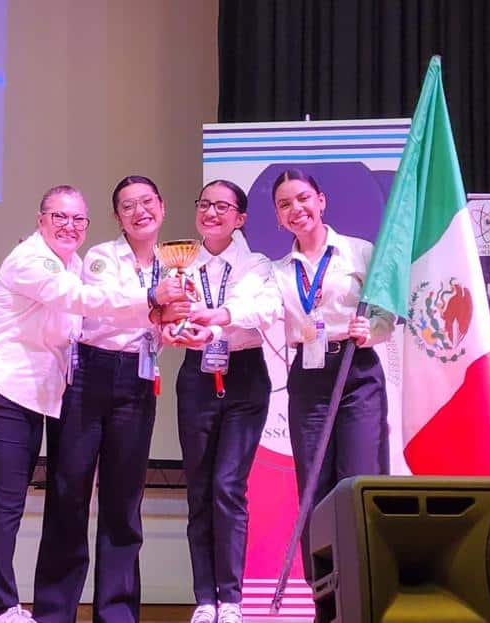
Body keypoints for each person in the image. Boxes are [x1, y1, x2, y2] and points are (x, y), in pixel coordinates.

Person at [0, 185, 187, 623]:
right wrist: (152, 300)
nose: (69, 226)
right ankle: (3, 607)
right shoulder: (39, 259)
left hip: (43, 392)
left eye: (78, 219)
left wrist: (165, 322)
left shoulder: (76, 264)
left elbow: (82, 321)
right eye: (59, 216)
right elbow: (84, 302)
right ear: (40, 219)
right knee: (19, 501)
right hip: (1, 385)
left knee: (97, 504)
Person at [32, 176, 186, 623]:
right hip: (88, 375)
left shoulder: (175, 264)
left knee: (124, 503)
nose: (140, 212)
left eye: (146, 202)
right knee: (69, 495)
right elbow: (102, 306)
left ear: (162, 206)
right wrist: (155, 304)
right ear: (117, 217)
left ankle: (116, 613)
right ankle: (54, 613)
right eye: (127, 206)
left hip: (138, 379)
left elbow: (164, 323)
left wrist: (177, 324)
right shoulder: (101, 256)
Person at [268, 169, 394, 584]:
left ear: (321, 201)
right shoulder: (278, 271)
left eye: (303, 198)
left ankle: (365, 585)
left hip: (356, 371)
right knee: (314, 486)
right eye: (285, 204)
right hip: (309, 376)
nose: (296, 209)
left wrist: (372, 329)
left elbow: (386, 312)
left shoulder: (359, 252)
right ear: (278, 217)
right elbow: (259, 311)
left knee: (358, 478)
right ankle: (323, 591)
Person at [164, 180, 280, 623]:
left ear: (240, 218)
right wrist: (170, 326)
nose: (211, 213)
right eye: (205, 204)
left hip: (244, 378)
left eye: (222, 207)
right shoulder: (179, 261)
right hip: (196, 376)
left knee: (228, 487)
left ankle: (231, 598)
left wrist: (217, 320)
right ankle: (205, 599)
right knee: (199, 490)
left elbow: (260, 309)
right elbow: (166, 313)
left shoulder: (256, 264)